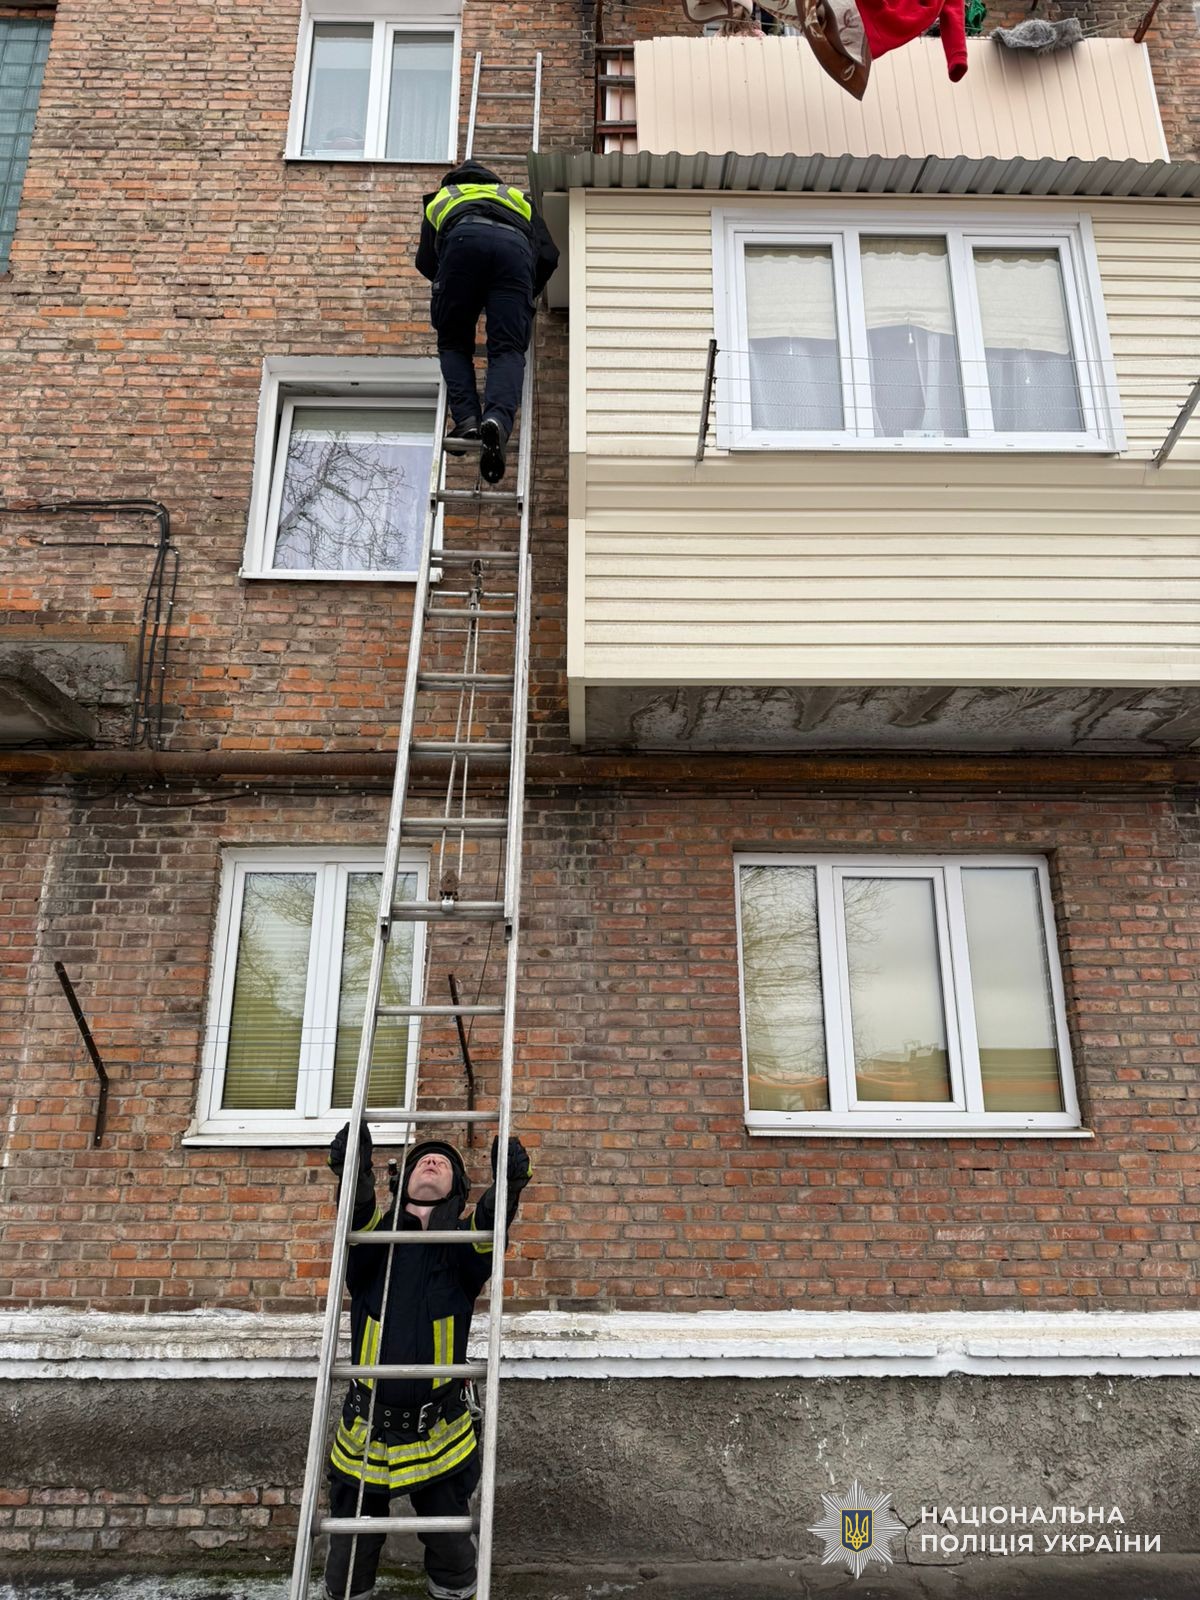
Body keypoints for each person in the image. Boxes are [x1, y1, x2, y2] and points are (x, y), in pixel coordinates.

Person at [323, 1122, 533, 1600]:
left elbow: (489, 1225)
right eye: (421, 1160)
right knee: (351, 1546)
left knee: (451, 1543)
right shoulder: (373, 1239)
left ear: (457, 1188)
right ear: (403, 1182)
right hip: (367, 1425)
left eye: (443, 1162)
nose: (431, 1161)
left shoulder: (463, 1246)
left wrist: (509, 1185)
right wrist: (355, 1171)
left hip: (439, 1426)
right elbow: (356, 1213)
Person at [416, 159, 560, 484]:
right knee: (508, 348)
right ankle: (496, 420)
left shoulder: (444, 197)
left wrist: (459, 293)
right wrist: (522, 296)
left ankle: (467, 418)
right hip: (515, 254)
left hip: (462, 244)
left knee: (453, 342)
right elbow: (549, 255)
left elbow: (426, 262)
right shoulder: (515, 197)